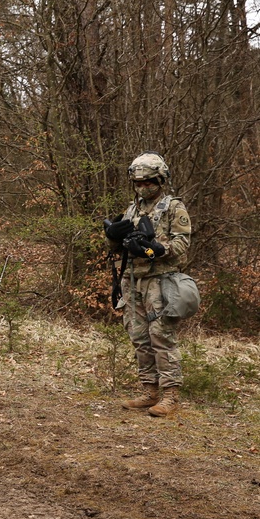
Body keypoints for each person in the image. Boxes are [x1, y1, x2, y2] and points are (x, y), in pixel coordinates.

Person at [103, 151, 192, 417]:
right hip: (133, 281)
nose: (143, 187)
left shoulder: (173, 207)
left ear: (161, 179)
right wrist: (113, 238)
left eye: (149, 182)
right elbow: (118, 250)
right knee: (140, 338)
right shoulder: (132, 209)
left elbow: (182, 244)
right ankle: (149, 390)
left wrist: (156, 248)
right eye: (138, 183)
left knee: (161, 337)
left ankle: (170, 395)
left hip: (161, 281)